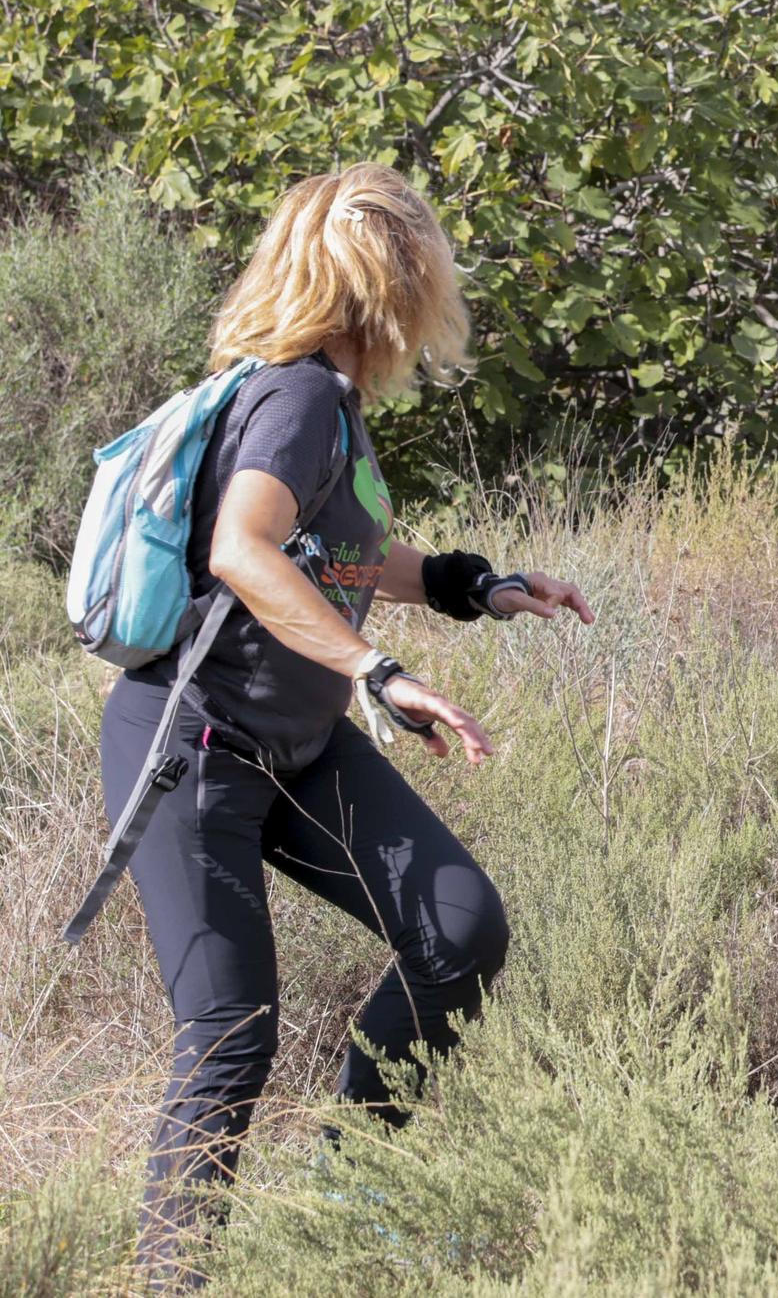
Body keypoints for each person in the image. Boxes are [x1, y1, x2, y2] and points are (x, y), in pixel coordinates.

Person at [99, 163, 595, 1279]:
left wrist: (478, 583)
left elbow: (344, 555)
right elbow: (243, 548)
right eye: (428, 267)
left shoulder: (324, 400)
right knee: (229, 1033)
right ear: (395, 279)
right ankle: (173, 1276)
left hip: (295, 749)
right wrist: (378, 670)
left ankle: (346, 1199)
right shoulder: (299, 395)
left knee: (458, 927)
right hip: (195, 752)